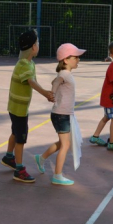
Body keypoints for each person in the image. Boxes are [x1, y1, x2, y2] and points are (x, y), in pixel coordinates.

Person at [1, 29, 55, 183]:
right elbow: (31, 82)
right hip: (19, 110)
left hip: (15, 107)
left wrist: (47, 89)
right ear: (33, 47)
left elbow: (33, 80)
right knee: (21, 138)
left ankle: (9, 157)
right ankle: (19, 170)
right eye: (37, 43)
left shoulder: (28, 63)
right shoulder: (24, 64)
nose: (38, 45)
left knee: (15, 132)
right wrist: (45, 93)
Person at [34, 43, 86, 186]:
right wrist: (52, 93)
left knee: (63, 143)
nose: (78, 59)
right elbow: (56, 81)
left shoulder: (65, 74)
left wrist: (54, 90)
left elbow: (55, 80)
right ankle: (57, 175)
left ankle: (41, 158)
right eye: (76, 57)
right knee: (65, 144)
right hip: (61, 115)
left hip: (64, 114)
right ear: (66, 60)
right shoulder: (64, 74)